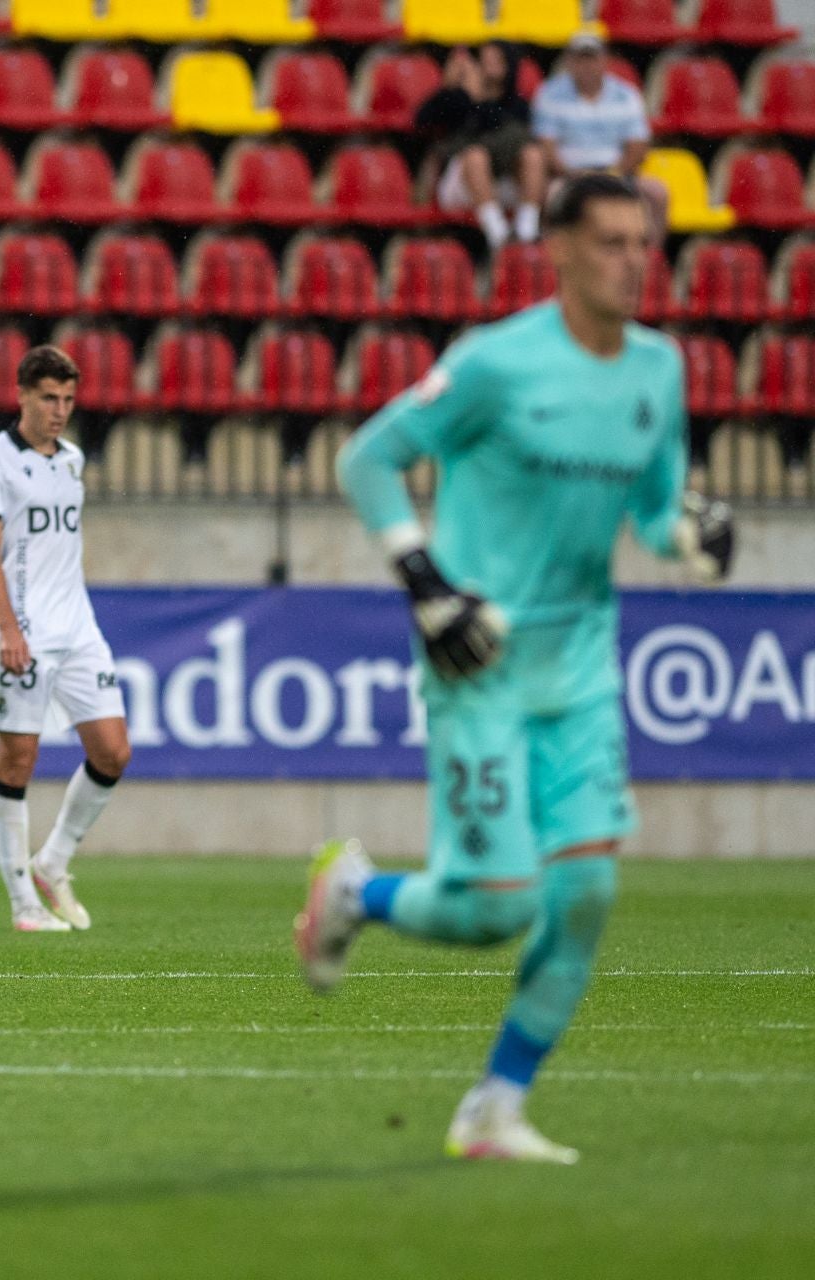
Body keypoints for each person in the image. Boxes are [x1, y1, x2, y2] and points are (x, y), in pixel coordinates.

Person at [296, 173, 736, 1163]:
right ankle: (354, 891)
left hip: (579, 665)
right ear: (562, 251)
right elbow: (366, 458)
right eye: (613, 242)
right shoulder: (496, 363)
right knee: (498, 905)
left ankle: (496, 1106)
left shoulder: (658, 370)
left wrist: (694, 530)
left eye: (644, 242)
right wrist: (425, 580)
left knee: (584, 896)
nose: (633, 261)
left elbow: (657, 507)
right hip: (479, 662)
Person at [0, 345, 132, 934]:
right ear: (22, 396)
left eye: (67, 399)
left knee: (113, 750)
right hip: (24, 632)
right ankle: (23, 906)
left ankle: (53, 862)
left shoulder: (72, 460)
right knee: (19, 757)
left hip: (78, 628)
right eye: (48, 398)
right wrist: (8, 628)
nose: (59, 411)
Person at [418, 41, 550, 250]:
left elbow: (514, 137)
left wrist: (479, 100)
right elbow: (421, 121)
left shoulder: (517, 106)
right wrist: (449, 88)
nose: (489, 66)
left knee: (533, 155)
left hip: (505, 182)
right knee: (476, 156)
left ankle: (527, 230)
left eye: (496, 61)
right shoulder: (458, 99)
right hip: (462, 184)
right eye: (484, 60)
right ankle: (498, 237)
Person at [532, 31, 668, 230]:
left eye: (592, 59)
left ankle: (651, 257)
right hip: (569, 174)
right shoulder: (549, 94)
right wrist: (571, 174)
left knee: (657, 193)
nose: (587, 66)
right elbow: (547, 146)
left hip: (616, 172)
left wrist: (615, 174)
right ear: (569, 62)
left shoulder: (626, 94)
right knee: (553, 194)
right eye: (580, 59)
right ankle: (553, 255)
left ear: (604, 61)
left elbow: (637, 146)